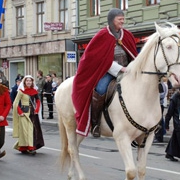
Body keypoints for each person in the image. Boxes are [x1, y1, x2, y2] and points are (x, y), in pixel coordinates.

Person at [72, 8, 138, 137]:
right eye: (120, 19)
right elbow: (100, 59)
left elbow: (132, 54)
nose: (122, 21)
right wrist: (120, 69)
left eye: (123, 19)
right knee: (101, 89)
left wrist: (132, 67)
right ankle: (95, 123)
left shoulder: (127, 35)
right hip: (108, 70)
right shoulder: (102, 35)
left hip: (127, 69)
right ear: (112, 20)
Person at [12, 75, 44, 154]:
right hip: (24, 113)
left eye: (30, 81)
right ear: (24, 82)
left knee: (31, 130)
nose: (29, 82)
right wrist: (20, 112)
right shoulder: (21, 91)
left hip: (33, 113)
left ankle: (29, 147)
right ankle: (27, 147)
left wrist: (37, 109)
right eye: (27, 81)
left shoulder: (34, 91)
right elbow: (15, 103)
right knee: (25, 131)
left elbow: (38, 101)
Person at [154, 78, 168, 143]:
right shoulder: (160, 84)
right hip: (157, 104)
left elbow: (162, 95)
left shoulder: (161, 85)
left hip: (159, 104)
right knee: (158, 121)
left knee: (159, 121)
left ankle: (159, 137)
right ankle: (158, 136)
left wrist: (154, 96)